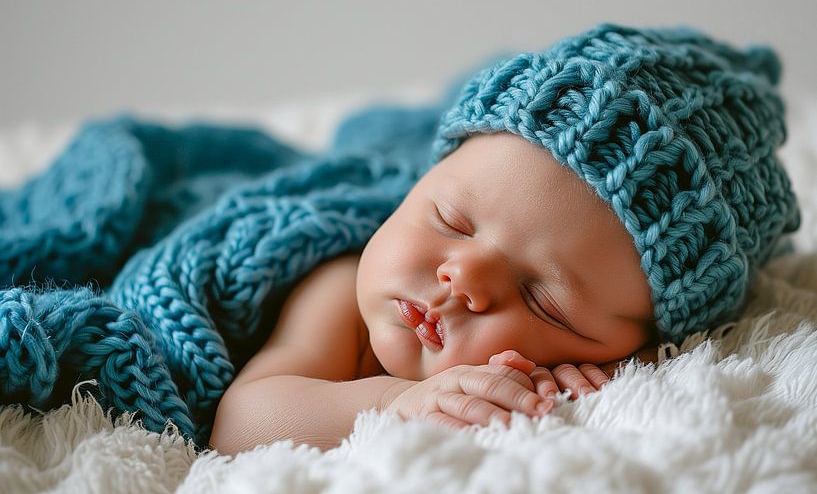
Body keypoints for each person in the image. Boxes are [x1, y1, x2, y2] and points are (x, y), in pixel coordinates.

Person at [208, 23, 800, 454]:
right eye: (451, 221)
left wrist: (621, 368)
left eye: (544, 302)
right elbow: (242, 424)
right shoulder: (339, 288)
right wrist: (396, 403)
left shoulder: (596, 358)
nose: (462, 276)